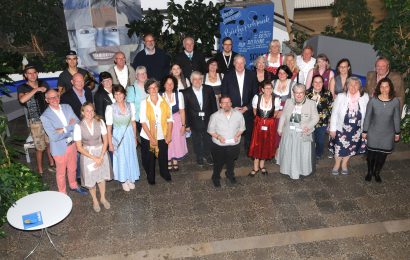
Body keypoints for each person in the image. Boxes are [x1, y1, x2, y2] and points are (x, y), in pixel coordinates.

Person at [40, 89, 87, 195]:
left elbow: (78, 123)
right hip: (59, 148)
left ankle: (73, 185)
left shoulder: (67, 107)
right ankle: (62, 194)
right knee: (61, 173)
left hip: (73, 144)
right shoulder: (45, 116)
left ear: (59, 97)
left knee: (73, 168)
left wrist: (63, 129)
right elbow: (54, 136)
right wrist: (69, 127)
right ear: (47, 100)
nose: (54, 99)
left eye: (56, 96)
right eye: (51, 98)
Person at [74, 102, 112, 212]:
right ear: (82, 112)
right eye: (87, 111)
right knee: (91, 179)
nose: (90, 113)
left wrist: (101, 156)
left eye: (92, 110)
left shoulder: (100, 122)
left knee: (101, 176)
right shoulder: (78, 126)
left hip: (101, 152)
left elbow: (105, 141)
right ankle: (95, 200)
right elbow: (79, 147)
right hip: (87, 155)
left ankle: (103, 198)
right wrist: (94, 158)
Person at [17, 64, 55, 175]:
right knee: (39, 147)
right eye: (29, 73)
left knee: (49, 143)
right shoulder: (22, 87)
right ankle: (40, 169)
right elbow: (23, 100)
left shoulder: (44, 83)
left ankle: (52, 163)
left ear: (37, 73)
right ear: (25, 75)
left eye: (34, 72)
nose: (32, 75)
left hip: (48, 118)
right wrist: (36, 89)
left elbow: (51, 96)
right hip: (35, 121)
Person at [277, 84, 319, 180]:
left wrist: (308, 127)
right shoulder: (288, 101)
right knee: (288, 152)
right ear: (293, 93)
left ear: (304, 93)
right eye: (296, 93)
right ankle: (287, 170)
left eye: (301, 93)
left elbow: (316, 117)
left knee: (302, 154)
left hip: (302, 132)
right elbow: (283, 115)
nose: (299, 95)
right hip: (289, 132)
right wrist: (279, 128)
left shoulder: (311, 103)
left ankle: (301, 171)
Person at [362, 78, 400, 183]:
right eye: (382, 86)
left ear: (390, 87)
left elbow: (396, 117)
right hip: (373, 132)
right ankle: (370, 172)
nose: (384, 89)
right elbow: (368, 117)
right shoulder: (373, 100)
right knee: (371, 156)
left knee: (382, 156)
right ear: (379, 87)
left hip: (388, 134)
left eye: (386, 86)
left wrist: (397, 132)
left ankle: (377, 172)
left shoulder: (395, 101)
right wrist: (365, 131)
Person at [329, 77, 369, 175]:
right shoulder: (341, 96)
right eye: (350, 84)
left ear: (360, 86)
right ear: (346, 86)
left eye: (356, 84)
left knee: (350, 148)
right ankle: (337, 164)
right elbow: (334, 114)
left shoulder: (365, 97)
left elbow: (368, 114)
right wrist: (332, 129)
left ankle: (344, 164)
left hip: (356, 130)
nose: (353, 87)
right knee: (339, 148)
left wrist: (366, 130)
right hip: (341, 129)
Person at [106, 85, 140, 191]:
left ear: (124, 94)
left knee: (130, 155)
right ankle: (124, 180)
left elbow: (133, 123)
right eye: (116, 94)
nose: (118, 96)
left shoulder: (131, 105)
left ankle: (130, 177)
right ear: (114, 96)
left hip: (129, 134)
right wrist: (110, 144)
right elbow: (108, 128)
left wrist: (135, 138)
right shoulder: (110, 108)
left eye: (120, 93)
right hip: (117, 135)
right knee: (121, 158)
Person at [221, 54, 258, 152]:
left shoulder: (252, 75)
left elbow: (256, 94)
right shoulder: (228, 76)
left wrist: (247, 107)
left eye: (242, 63)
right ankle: (233, 151)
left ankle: (248, 150)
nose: (240, 65)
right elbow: (224, 93)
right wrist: (231, 107)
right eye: (237, 63)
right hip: (232, 109)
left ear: (245, 63)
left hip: (248, 110)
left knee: (249, 131)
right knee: (232, 132)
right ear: (234, 64)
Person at [139, 79, 173, 185]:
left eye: (155, 87)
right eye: (151, 88)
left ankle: (164, 173)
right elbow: (143, 122)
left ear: (158, 88)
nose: (153, 89)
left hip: (162, 134)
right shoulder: (144, 103)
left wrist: (169, 135)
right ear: (147, 90)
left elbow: (169, 119)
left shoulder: (164, 101)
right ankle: (151, 176)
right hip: (147, 135)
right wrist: (151, 138)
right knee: (150, 158)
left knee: (163, 156)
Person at [208, 95, 246, 187]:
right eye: (224, 103)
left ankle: (230, 175)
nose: (226, 104)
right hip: (219, 145)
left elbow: (242, 128)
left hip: (234, 144)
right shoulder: (215, 116)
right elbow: (210, 131)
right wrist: (219, 137)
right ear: (220, 105)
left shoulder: (238, 114)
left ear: (231, 103)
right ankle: (215, 177)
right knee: (218, 163)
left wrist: (237, 135)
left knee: (231, 161)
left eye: (228, 102)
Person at [184, 71, 218, 166]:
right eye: (195, 79)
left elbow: (214, 105)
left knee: (208, 138)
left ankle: (207, 155)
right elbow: (185, 110)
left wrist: (215, 121)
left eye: (199, 79)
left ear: (202, 80)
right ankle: (199, 156)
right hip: (194, 121)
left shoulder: (209, 89)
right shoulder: (186, 92)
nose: (197, 81)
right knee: (196, 139)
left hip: (208, 119)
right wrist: (186, 124)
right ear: (191, 81)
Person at [248, 80, 276, 176]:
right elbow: (255, 111)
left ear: (272, 89)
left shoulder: (276, 99)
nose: (268, 90)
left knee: (266, 143)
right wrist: (260, 120)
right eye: (266, 88)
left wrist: (268, 120)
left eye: (270, 88)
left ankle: (262, 166)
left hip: (269, 124)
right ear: (263, 89)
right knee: (257, 143)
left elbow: (275, 113)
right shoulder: (257, 97)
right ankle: (255, 167)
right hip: (259, 124)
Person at [160, 75, 188, 171]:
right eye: (167, 83)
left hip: (177, 120)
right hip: (164, 122)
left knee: (176, 140)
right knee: (167, 141)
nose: (169, 85)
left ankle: (175, 158)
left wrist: (184, 125)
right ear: (163, 85)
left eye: (171, 83)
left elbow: (182, 111)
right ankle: (168, 159)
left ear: (174, 84)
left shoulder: (179, 94)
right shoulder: (160, 96)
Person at [306, 75, 333, 160]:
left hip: (322, 122)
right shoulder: (307, 93)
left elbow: (330, 107)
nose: (318, 84)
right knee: (309, 140)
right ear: (312, 83)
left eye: (320, 82)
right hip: (309, 121)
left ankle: (318, 154)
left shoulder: (327, 93)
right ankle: (308, 154)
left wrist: (330, 121)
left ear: (323, 83)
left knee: (320, 141)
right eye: (315, 82)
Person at [272, 65, 296, 158]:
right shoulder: (273, 82)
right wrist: (274, 111)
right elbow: (269, 98)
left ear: (287, 74)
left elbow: (295, 101)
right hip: (274, 110)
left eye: (284, 73)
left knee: (285, 131)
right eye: (280, 73)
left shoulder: (292, 84)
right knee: (274, 131)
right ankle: (276, 149)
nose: (281, 75)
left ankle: (284, 151)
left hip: (288, 110)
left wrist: (284, 113)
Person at [126, 66, 148, 133]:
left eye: (144, 73)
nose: (143, 75)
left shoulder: (151, 86)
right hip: (139, 120)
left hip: (152, 119)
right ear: (136, 76)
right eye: (140, 73)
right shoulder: (131, 89)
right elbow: (129, 107)